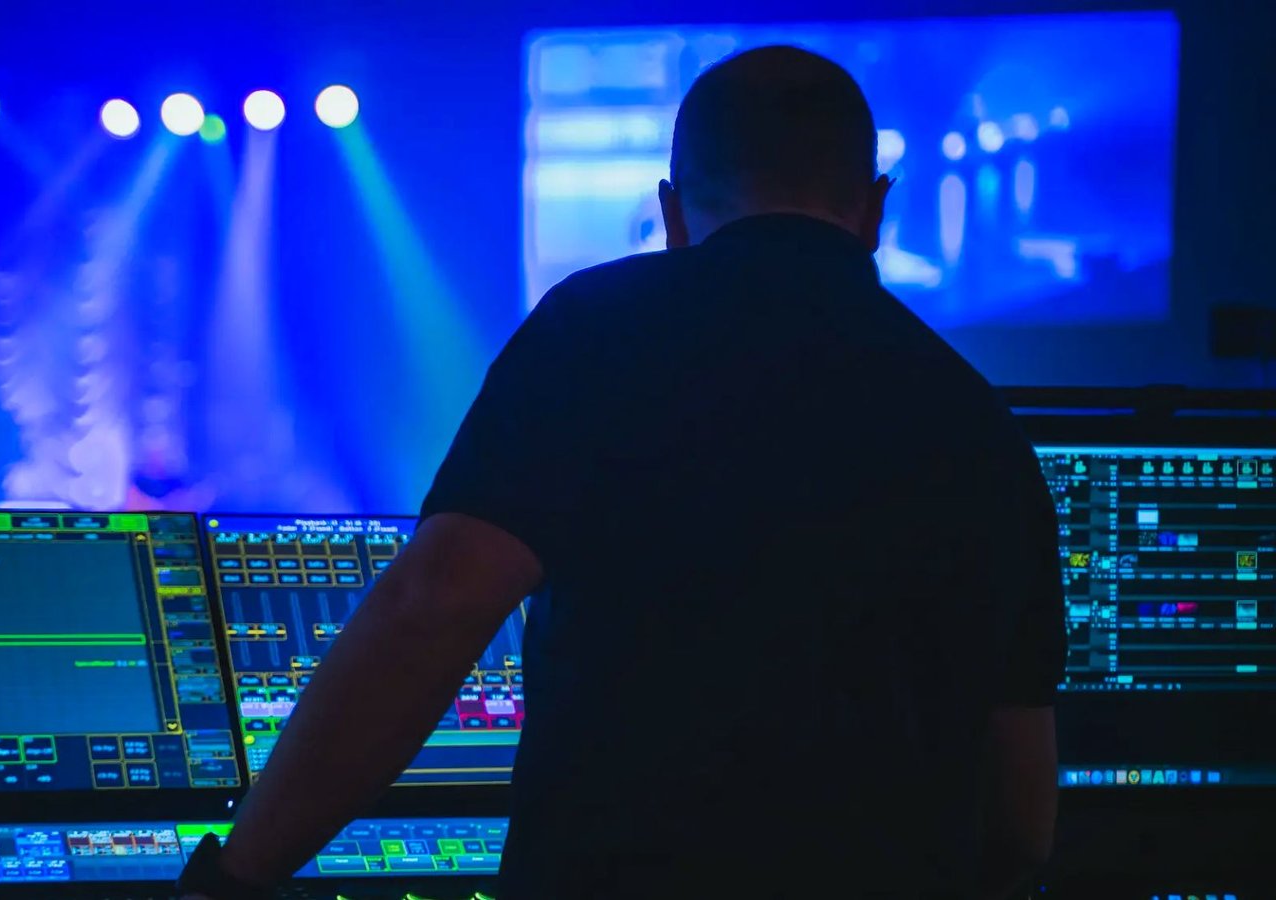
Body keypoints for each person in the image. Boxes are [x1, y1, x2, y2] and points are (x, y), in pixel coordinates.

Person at [180, 45, 1065, 898]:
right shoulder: (976, 417)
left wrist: (237, 875)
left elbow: (437, 604)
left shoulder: (597, 330)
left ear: (672, 212)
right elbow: (1022, 823)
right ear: (877, 210)